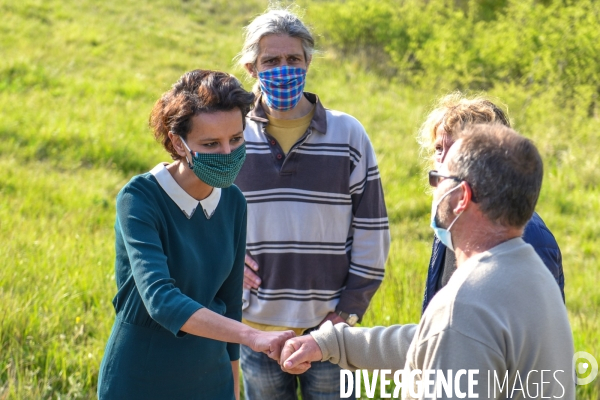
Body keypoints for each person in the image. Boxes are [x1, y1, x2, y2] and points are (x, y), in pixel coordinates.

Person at [278, 124, 575, 399]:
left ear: (461, 196)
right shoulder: (531, 273)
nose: (432, 187)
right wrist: (329, 344)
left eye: (439, 178)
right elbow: (433, 342)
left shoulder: (467, 303)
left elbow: (452, 333)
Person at [97, 69, 294, 400]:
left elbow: (230, 301)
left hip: (211, 376)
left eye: (236, 139)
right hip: (140, 376)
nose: (228, 153)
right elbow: (161, 300)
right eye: (211, 143)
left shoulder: (233, 202)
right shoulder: (140, 198)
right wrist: (254, 337)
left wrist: (232, 386)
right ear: (178, 142)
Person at [233, 8, 390, 400]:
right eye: (271, 61)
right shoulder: (230, 137)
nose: (283, 69)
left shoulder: (348, 134)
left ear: (308, 63)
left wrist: (347, 315)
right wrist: (226, 265)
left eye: (293, 59)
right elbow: (202, 218)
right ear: (252, 67)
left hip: (331, 336)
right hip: (254, 332)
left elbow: (372, 232)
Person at [417, 93, 565, 312]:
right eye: (439, 148)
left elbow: (528, 334)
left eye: (457, 148)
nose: (444, 160)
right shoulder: (450, 220)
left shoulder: (527, 235)